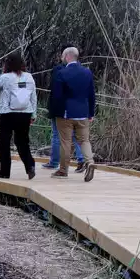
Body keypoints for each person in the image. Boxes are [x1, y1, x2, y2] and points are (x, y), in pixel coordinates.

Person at [48, 47, 96, 181]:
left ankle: (63, 170)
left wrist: (54, 112)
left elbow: (56, 96)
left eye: (63, 56)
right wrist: (91, 112)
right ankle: (90, 161)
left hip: (66, 113)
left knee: (65, 141)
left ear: (67, 56)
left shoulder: (62, 73)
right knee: (84, 140)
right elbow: (92, 94)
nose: (62, 58)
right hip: (83, 113)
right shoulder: (87, 72)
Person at [0, 52, 37, 179]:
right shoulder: (29, 77)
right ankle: (30, 166)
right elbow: (33, 96)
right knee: (22, 142)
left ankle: (5, 172)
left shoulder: (5, 77)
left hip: (7, 113)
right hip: (25, 113)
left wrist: (2, 74)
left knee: (4, 143)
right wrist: (34, 113)